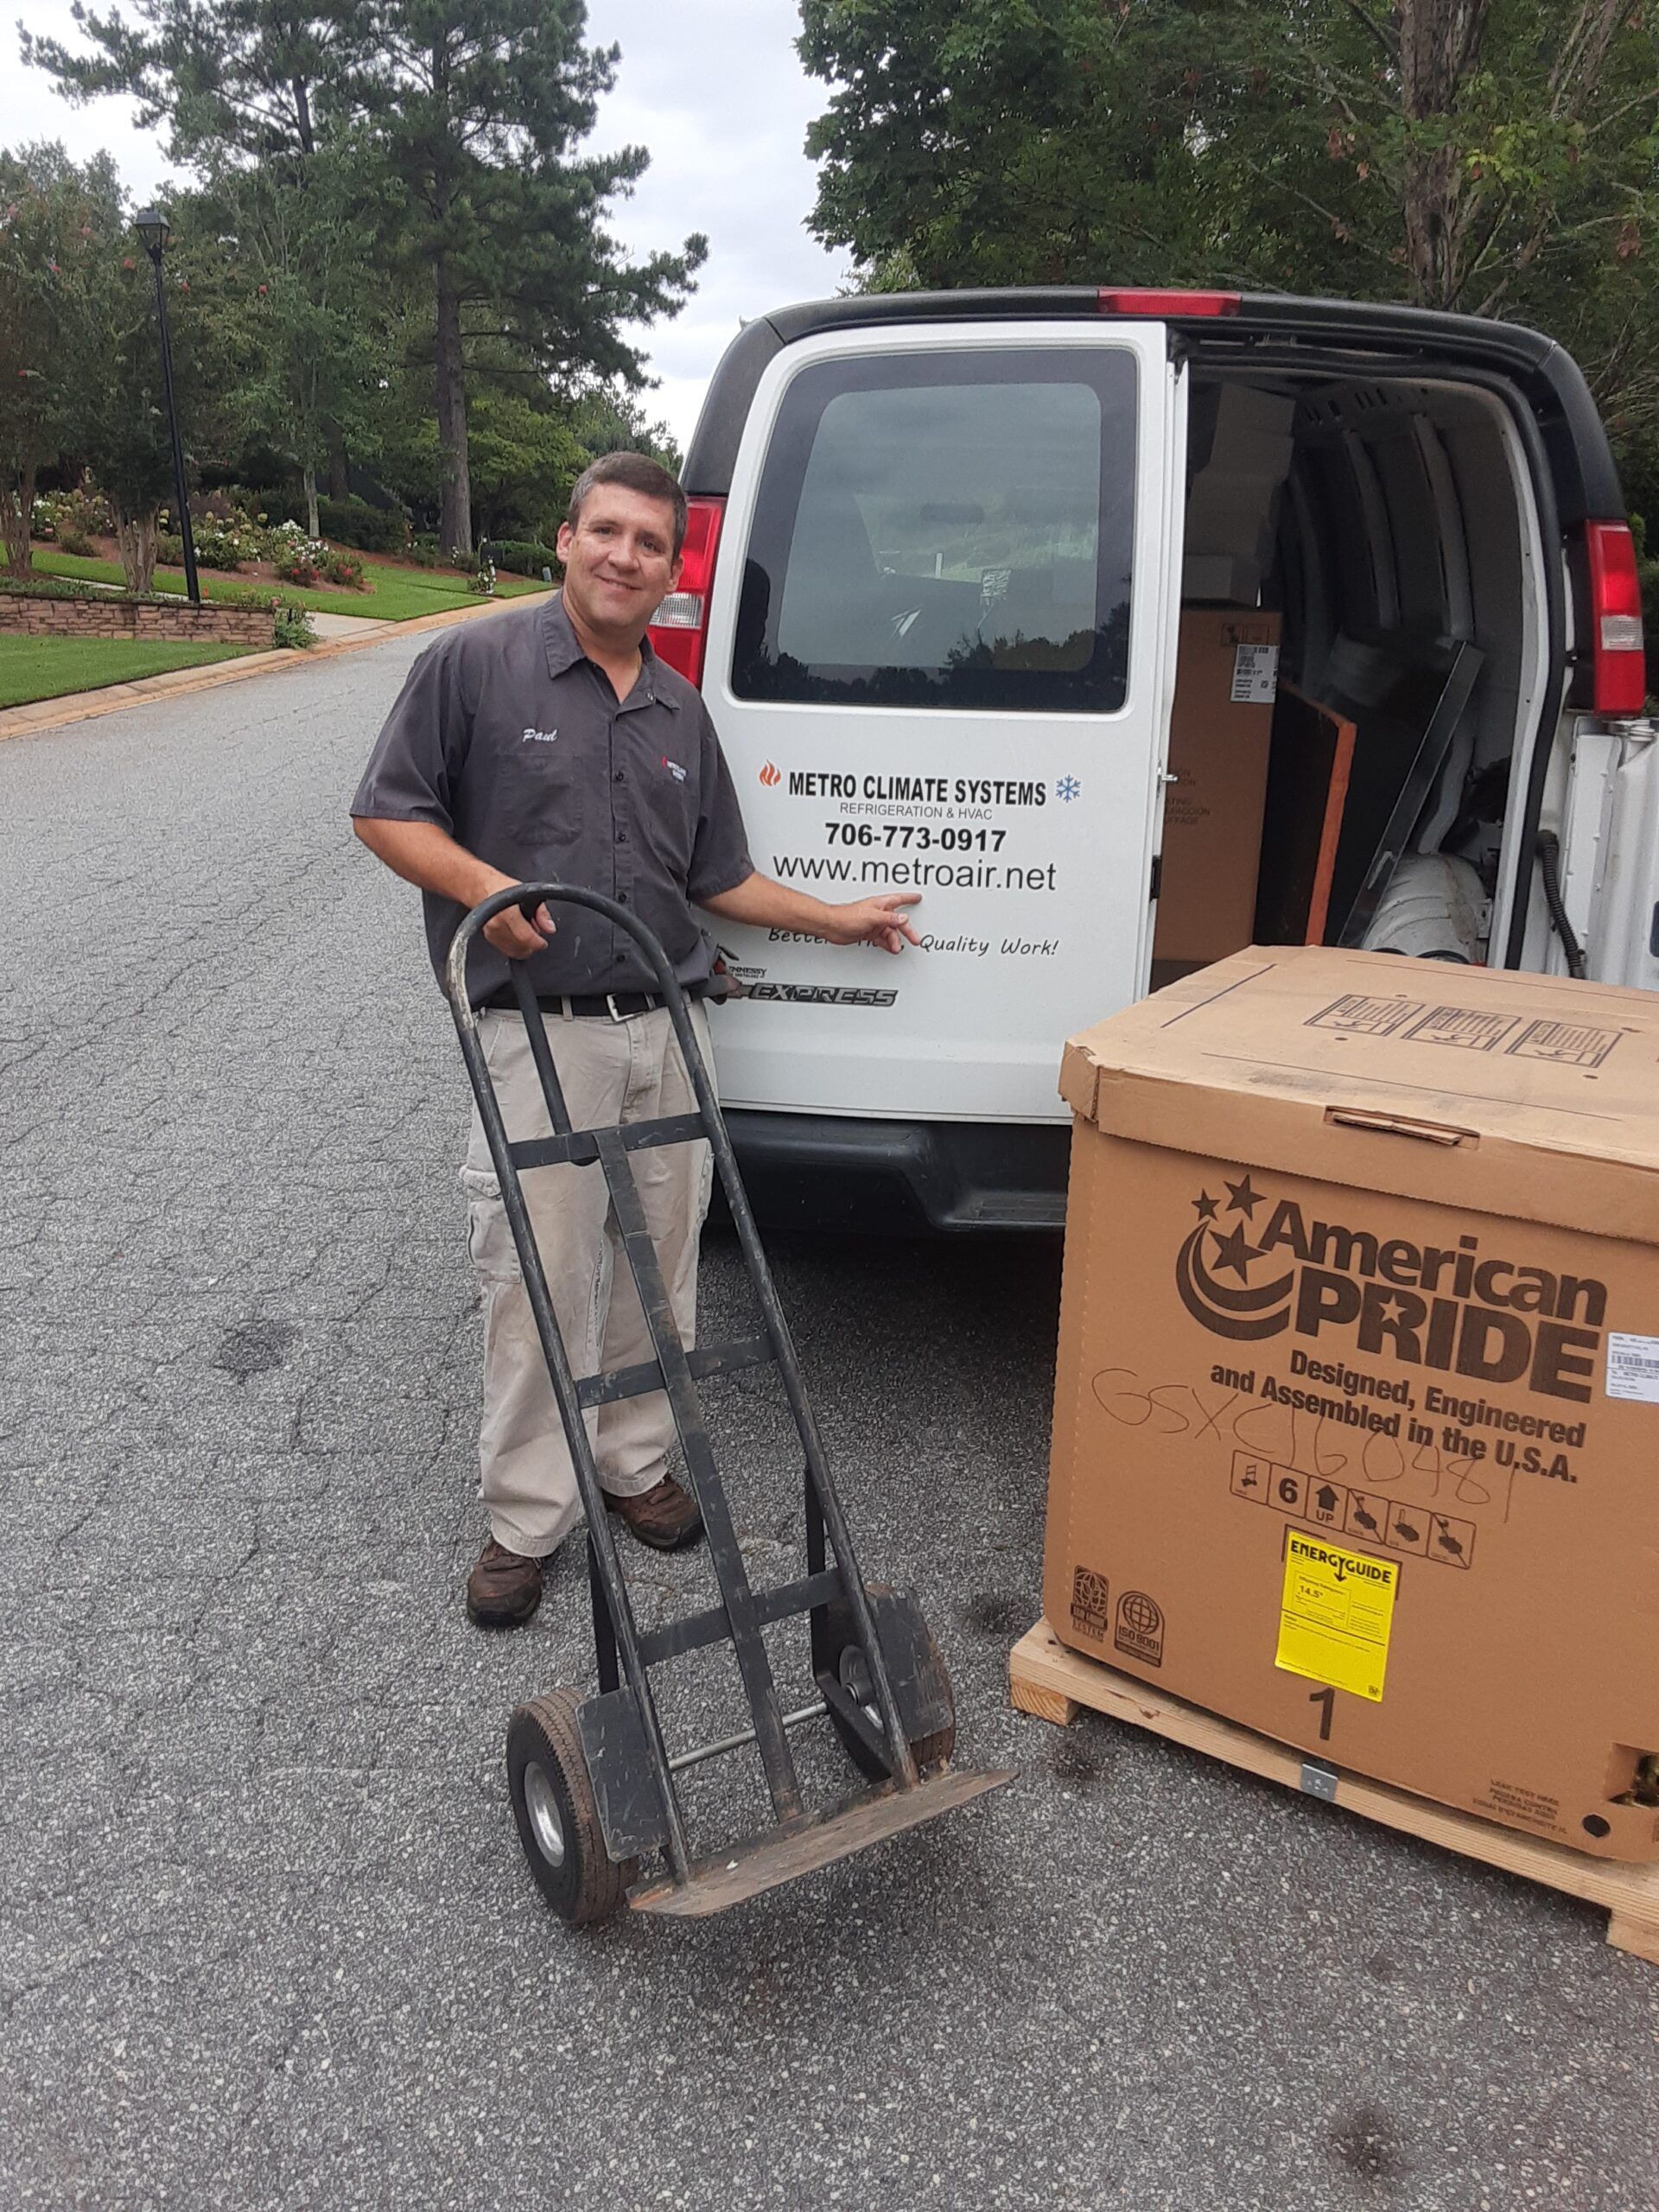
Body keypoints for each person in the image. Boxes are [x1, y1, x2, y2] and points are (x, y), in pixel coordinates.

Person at [351, 452, 920, 1628]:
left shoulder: (679, 711)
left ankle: (635, 1463)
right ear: (566, 539)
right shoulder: (474, 665)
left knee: (660, 1270)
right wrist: (484, 887)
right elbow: (384, 812)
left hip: (669, 1027)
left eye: (649, 543)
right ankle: (526, 1518)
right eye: (605, 532)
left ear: (671, 571)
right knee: (538, 1279)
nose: (624, 556)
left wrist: (839, 920)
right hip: (540, 1036)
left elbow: (718, 878)